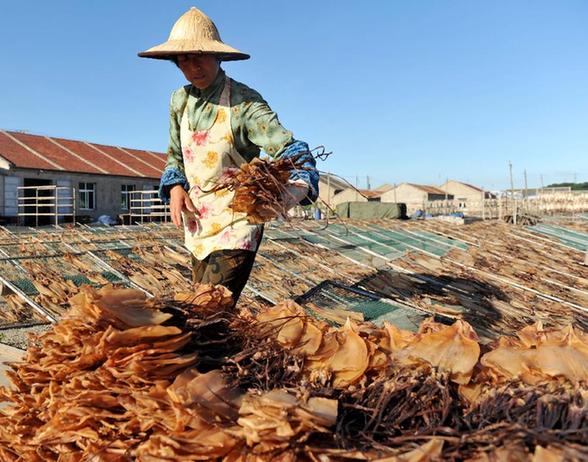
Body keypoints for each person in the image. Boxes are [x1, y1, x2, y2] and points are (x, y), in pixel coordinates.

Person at [139, 7, 319, 305]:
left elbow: (292, 150)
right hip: (197, 222)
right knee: (205, 309)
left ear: (217, 56)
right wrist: (174, 187)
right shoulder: (179, 102)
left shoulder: (244, 103)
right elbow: (175, 157)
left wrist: (297, 187)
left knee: (209, 307)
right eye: (183, 59)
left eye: (200, 56)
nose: (192, 66)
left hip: (238, 222)